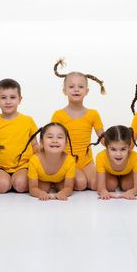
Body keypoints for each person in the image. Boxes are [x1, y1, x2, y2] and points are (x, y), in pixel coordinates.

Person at [51, 58, 105, 190]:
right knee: (81, 183)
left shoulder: (93, 114)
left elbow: (103, 138)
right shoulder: (58, 115)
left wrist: (119, 141)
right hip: (67, 161)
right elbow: (52, 141)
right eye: (71, 87)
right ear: (64, 91)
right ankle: (57, 179)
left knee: (96, 184)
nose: (76, 90)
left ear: (86, 91)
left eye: (80, 87)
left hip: (87, 162)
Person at [0, 78, 38, 193]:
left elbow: (35, 146)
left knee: (21, 184)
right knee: (2, 186)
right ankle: (6, 182)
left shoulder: (28, 121)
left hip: (23, 166)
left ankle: (14, 181)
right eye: (3, 98)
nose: (8, 102)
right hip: (0, 168)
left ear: (20, 99)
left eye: (12, 97)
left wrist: (47, 150)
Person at [19, 123, 76, 201]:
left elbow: (69, 187)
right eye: (50, 137)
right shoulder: (34, 160)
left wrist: (63, 193)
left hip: (60, 180)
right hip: (42, 179)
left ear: (66, 144)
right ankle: (50, 184)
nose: (55, 141)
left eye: (59, 137)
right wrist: (40, 193)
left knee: (74, 185)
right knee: (43, 188)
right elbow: (32, 188)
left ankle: (55, 184)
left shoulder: (70, 161)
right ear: (41, 142)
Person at [89, 125, 137, 200]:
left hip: (127, 174)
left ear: (129, 146)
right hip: (109, 173)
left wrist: (131, 192)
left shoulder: (136, 157)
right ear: (107, 147)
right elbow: (100, 188)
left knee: (127, 186)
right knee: (111, 185)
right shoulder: (101, 157)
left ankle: (122, 182)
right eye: (113, 149)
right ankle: (115, 181)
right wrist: (103, 192)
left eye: (123, 149)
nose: (118, 154)